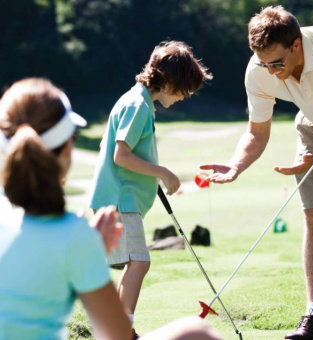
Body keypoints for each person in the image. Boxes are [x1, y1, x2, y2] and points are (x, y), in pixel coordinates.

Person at [200, 5, 313, 340]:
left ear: (296, 45)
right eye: (263, 63)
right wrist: (236, 165)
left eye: (277, 63)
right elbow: (257, 132)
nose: (270, 71)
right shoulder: (259, 68)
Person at [0, 77, 222, 340]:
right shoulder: (75, 236)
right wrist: (91, 253)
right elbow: (116, 334)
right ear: (67, 149)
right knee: (196, 332)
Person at [89, 40, 213, 337]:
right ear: (169, 81)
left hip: (121, 198)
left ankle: (118, 328)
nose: (184, 97)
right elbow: (122, 155)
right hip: (120, 199)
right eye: (184, 90)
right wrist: (162, 172)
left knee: (136, 263)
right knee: (140, 262)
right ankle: (123, 331)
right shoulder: (138, 105)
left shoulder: (140, 102)